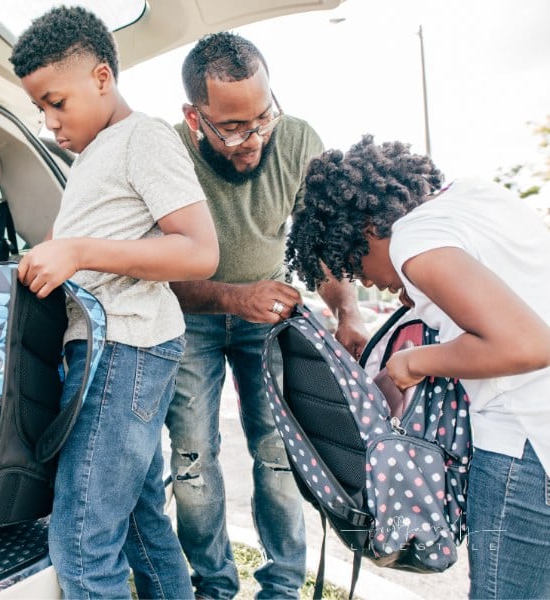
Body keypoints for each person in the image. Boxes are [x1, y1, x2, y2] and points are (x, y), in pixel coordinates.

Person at [9, 7, 220, 598]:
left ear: (102, 77)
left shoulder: (142, 138)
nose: (50, 122)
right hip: (107, 350)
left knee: (82, 543)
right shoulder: (92, 155)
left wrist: (77, 251)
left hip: (125, 348)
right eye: (40, 109)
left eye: (57, 102)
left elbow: (199, 250)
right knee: (139, 524)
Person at [285, 135, 550, 600]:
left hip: (524, 440)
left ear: (367, 227)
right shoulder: (473, 196)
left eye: (354, 265)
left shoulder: (414, 238)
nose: (368, 282)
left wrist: (413, 363)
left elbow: (529, 344)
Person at [167, 33, 369, 599]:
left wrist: (347, 311)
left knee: (280, 456)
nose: (253, 139)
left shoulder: (298, 139)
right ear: (194, 117)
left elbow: (319, 244)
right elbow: (154, 272)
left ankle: (282, 588)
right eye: (233, 128)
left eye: (262, 118)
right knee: (192, 460)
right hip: (192, 319)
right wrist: (235, 298)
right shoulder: (167, 152)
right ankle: (213, 586)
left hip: (270, 315)